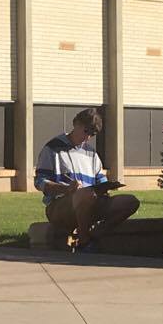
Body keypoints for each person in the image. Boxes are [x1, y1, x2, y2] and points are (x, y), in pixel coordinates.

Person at [36, 108, 139, 252]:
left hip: (91, 201)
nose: (87, 138)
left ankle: (95, 234)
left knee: (130, 201)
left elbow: (100, 180)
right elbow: (40, 182)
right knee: (86, 195)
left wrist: (107, 187)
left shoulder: (91, 153)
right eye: (86, 131)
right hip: (61, 206)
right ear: (76, 123)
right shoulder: (53, 148)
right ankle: (84, 242)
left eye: (92, 134)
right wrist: (66, 189)